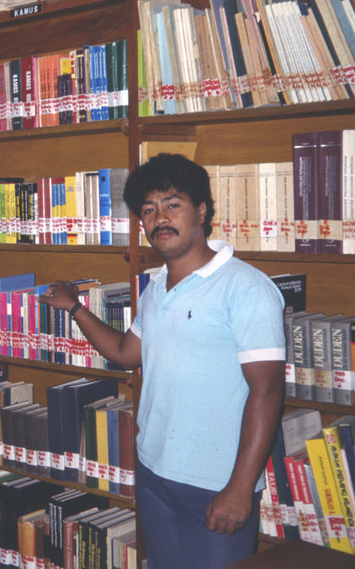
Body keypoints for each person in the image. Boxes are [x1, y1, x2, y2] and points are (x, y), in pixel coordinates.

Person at [41, 154, 285, 569]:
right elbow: (124, 353)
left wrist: (241, 487)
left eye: (172, 204)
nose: (160, 219)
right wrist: (75, 308)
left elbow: (267, 391)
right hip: (156, 474)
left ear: (202, 210)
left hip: (216, 484)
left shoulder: (246, 288)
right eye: (149, 210)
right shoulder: (156, 287)